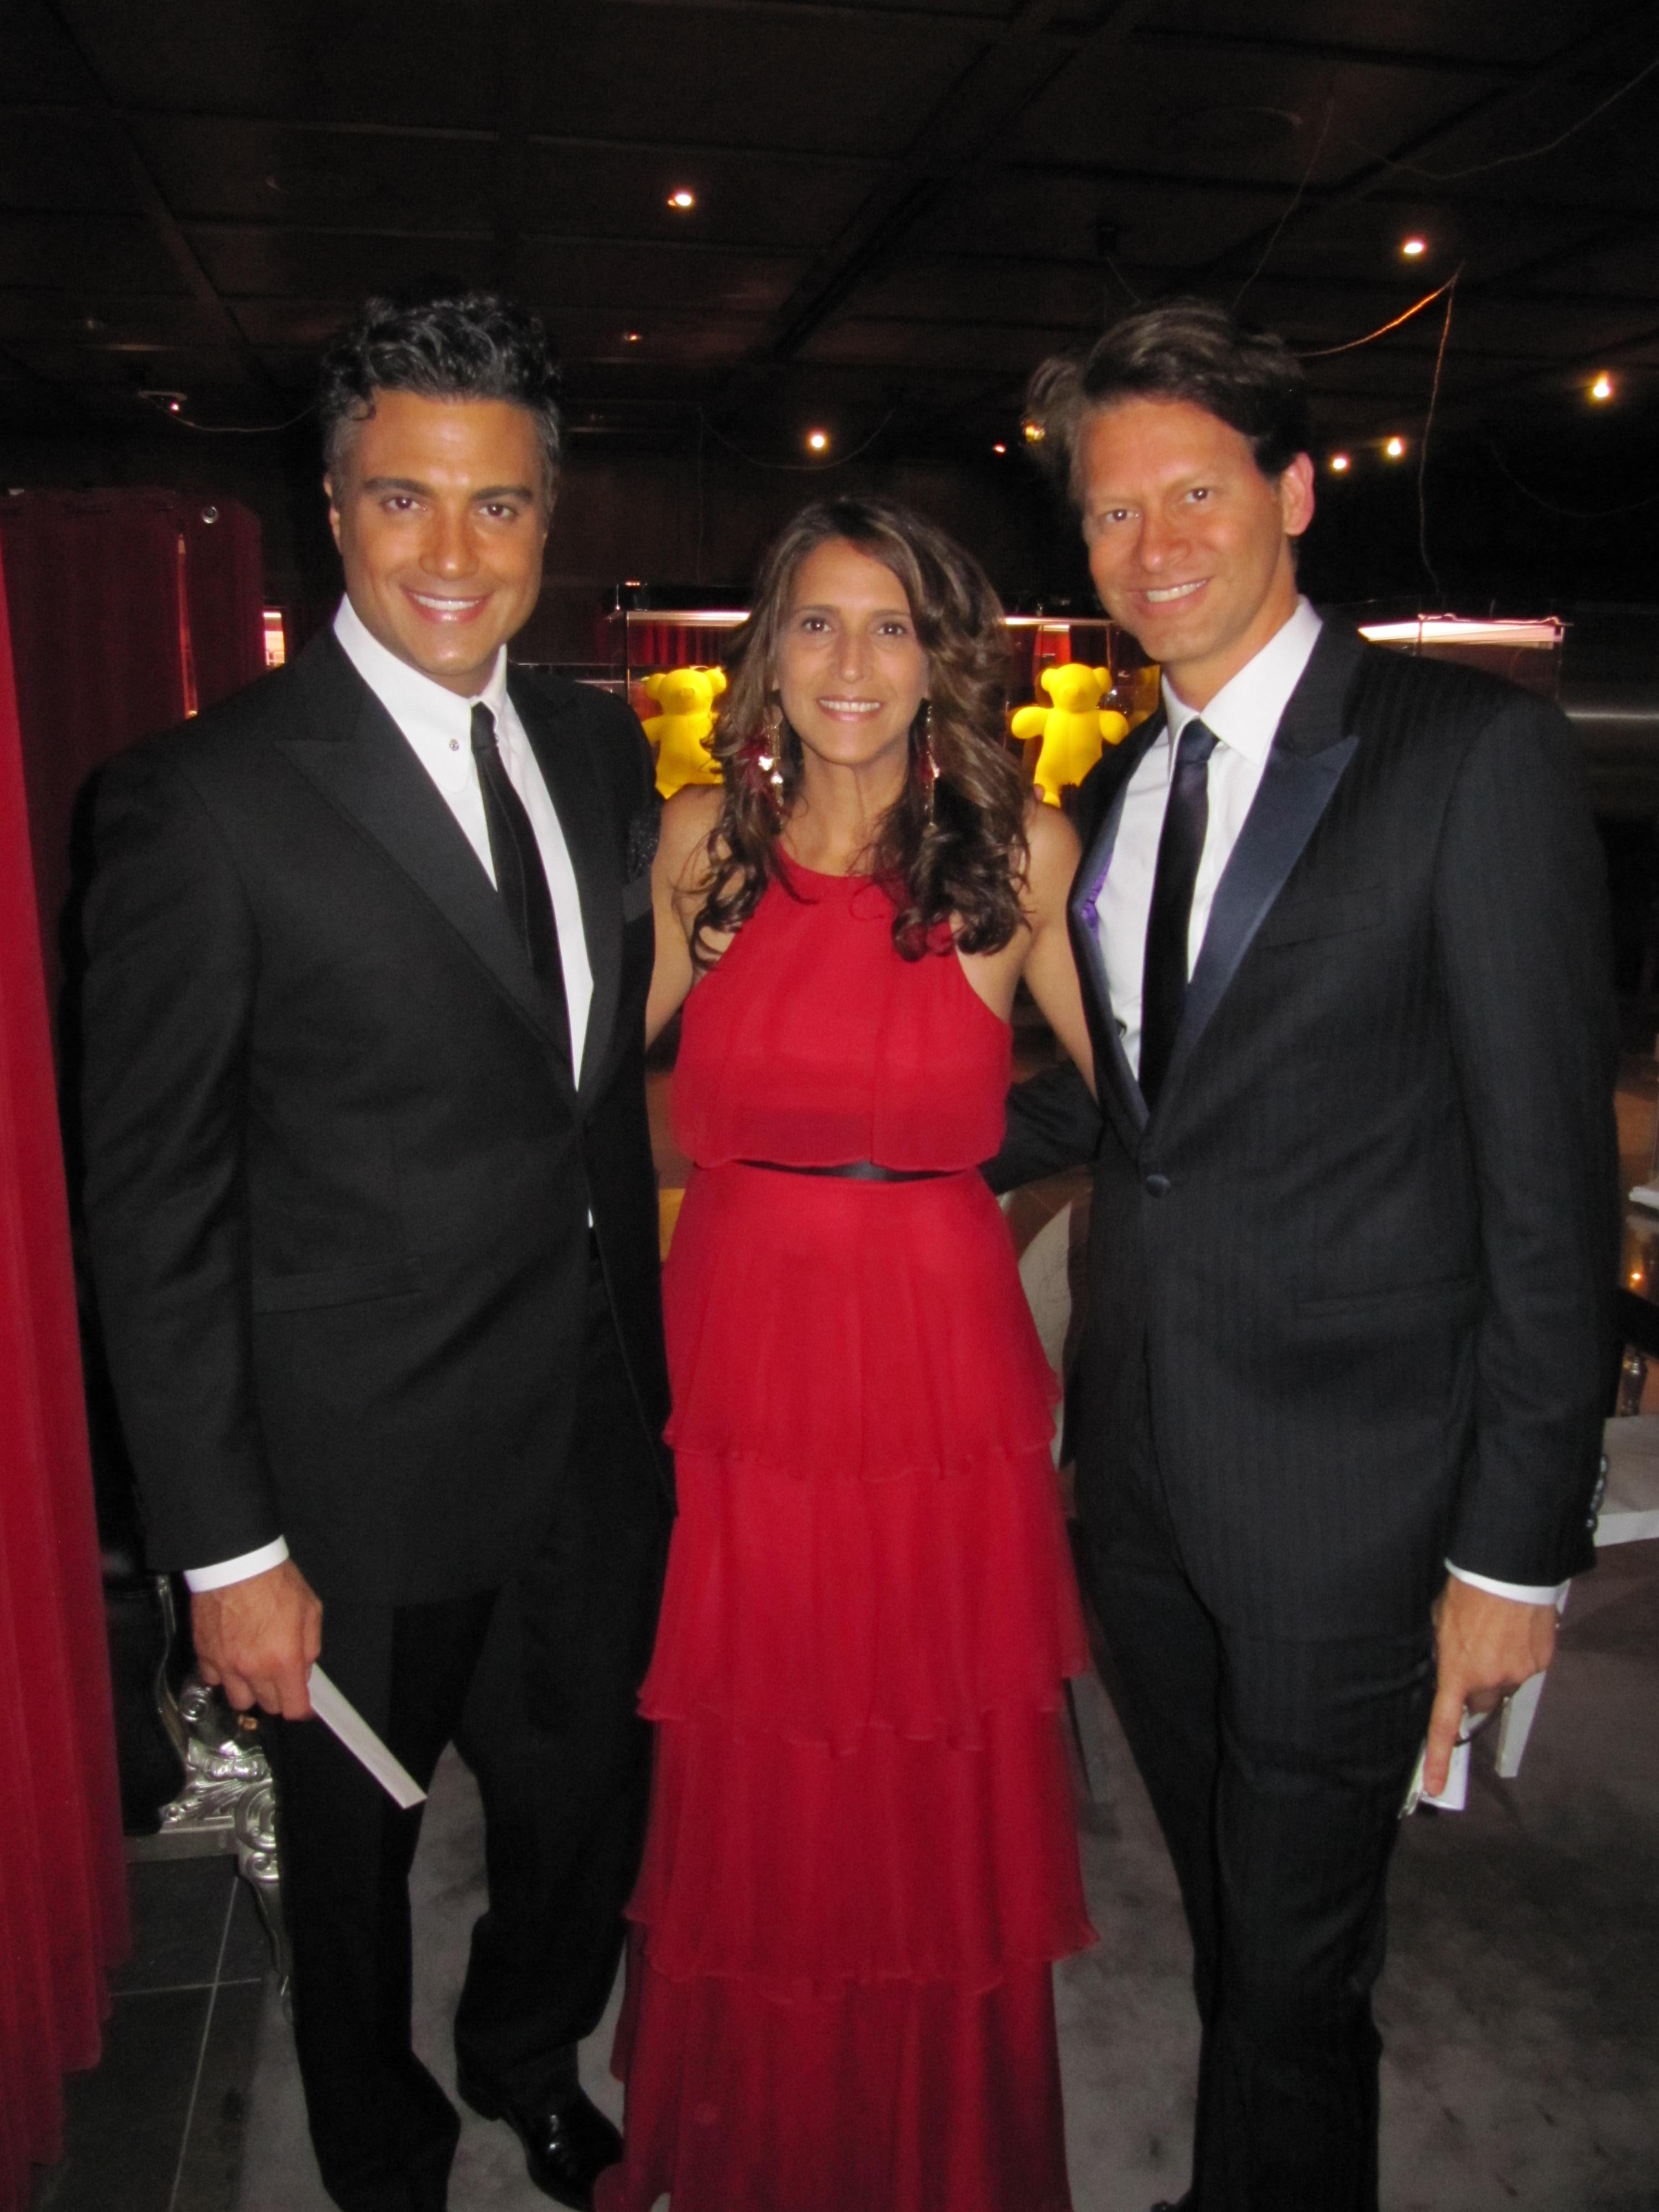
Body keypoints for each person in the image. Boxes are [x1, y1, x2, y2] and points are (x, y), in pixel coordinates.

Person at [990, 298, 1618, 2212]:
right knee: (1243, 1922)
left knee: (1289, 1954)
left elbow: (1550, 1195)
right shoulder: (1117, 799)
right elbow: (1137, 1117)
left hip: (1360, 1497)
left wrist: (1515, 1551)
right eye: (1111, 515)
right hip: (1149, 1479)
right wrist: (857, 1165)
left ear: (1296, 490)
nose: (1153, 547)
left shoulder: (1465, 762)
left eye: (1196, 493)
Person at [80, 290, 672, 2212]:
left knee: (587, 1811)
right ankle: (384, 2152)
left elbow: (585, 1092)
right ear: (330, 507)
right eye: (404, 500)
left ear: (547, 520)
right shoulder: (202, 798)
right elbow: (152, 1198)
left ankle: (529, 2057)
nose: (452, 553)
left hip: (587, 1430)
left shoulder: (593, 757)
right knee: (351, 1867)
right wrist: (226, 1545)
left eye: (498, 509)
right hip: (345, 1475)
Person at [595, 498, 1097, 2212]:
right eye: (818, 622)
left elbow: (1178, 1100)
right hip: (741, 1354)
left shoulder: (1019, 853)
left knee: (921, 1748)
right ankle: (755, 2129)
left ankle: (927, 2142)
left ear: (944, 657)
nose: (853, 664)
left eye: (893, 626)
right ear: (766, 655)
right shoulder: (699, 850)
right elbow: (555, 1075)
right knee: (758, 1742)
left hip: (934, 1366)